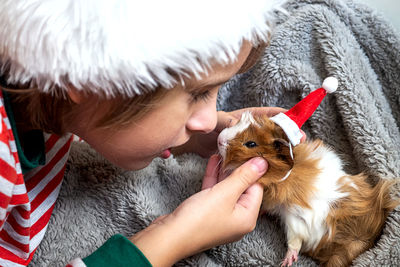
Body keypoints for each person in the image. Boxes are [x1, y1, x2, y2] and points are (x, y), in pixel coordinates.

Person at [0, 1, 300, 266]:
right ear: (89, 78)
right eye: (198, 94)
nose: (209, 121)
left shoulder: (48, 89)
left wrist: (193, 140)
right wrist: (170, 237)